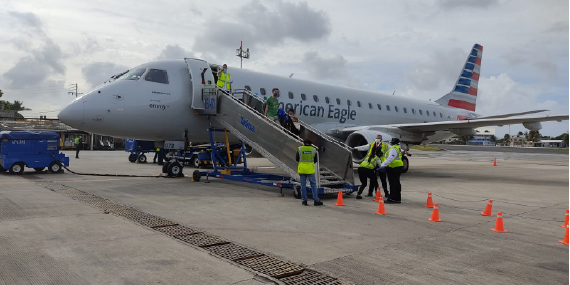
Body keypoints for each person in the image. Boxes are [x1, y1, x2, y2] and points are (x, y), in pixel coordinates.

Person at [296, 139, 323, 206]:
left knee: (303, 185)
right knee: (313, 185)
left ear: (304, 143)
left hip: (302, 169)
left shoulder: (300, 149)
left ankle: (304, 201)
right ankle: (316, 200)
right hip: (310, 169)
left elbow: (297, 158)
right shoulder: (313, 150)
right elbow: (315, 160)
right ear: (311, 144)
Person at [380, 138, 404, 204]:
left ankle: (392, 198)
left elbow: (390, 158)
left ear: (392, 142)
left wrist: (383, 164)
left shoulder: (393, 149)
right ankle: (397, 198)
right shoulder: (398, 148)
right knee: (397, 183)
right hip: (398, 166)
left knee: (393, 183)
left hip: (394, 167)